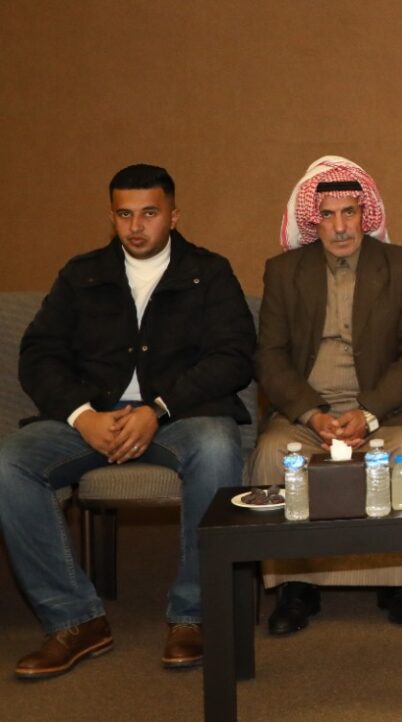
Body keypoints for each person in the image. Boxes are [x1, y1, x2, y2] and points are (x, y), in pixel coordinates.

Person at [0, 164, 253, 678]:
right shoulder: (81, 274)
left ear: (174, 216)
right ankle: (75, 619)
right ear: (112, 216)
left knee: (217, 447)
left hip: (179, 418)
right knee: (10, 464)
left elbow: (234, 356)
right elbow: (39, 354)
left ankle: (193, 615)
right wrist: (82, 415)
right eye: (124, 214)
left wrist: (156, 409)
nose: (136, 227)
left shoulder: (209, 272)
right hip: (91, 419)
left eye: (150, 213)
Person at [251, 156, 402, 633]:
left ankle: (397, 582)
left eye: (349, 213)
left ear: (365, 214)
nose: (339, 227)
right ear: (313, 221)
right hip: (306, 413)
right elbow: (270, 357)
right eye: (328, 215)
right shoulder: (284, 271)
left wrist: (369, 411)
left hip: (386, 410)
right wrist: (311, 414)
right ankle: (296, 585)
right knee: (274, 453)